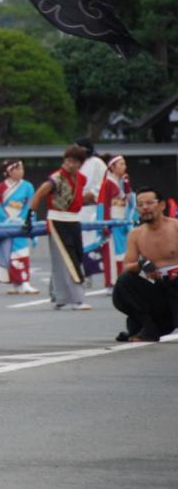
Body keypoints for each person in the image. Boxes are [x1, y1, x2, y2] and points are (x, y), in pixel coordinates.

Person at [27, 145, 91, 311]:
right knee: (66, 259)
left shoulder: (81, 179)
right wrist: (29, 216)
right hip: (57, 221)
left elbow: (76, 199)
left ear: (80, 164)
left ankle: (59, 297)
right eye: (68, 160)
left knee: (75, 257)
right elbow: (40, 193)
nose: (70, 164)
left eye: (74, 161)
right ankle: (76, 299)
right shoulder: (55, 178)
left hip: (74, 220)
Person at [111, 187, 178, 341]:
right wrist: (142, 263)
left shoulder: (175, 227)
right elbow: (127, 266)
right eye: (140, 205)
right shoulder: (136, 234)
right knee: (124, 282)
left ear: (162, 205)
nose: (145, 208)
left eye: (149, 203)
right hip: (159, 287)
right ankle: (149, 327)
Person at [0, 159, 38, 294]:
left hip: (21, 221)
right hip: (5, 221)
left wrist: (22, 218)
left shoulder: (28, 186)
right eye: (18, 169)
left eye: (22, 169)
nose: (21, 172)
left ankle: (24, 281)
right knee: (8, 252)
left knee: (22, 251)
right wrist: (7, 219)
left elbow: (30, 205)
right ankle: (14, 282)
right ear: (9, 171)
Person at [95, 154, 133, 289]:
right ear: (112, 167)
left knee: (122, 253)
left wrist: (127, 186)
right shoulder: (108, 183)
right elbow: (103, 204)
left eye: (124, 164)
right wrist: (104, 224)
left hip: (121, 222)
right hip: (112, 222)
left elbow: (130, 202)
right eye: (121, 164)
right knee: (112, 253)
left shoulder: (120, 182)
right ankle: (111, 283)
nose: (124, 166)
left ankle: (121, 280)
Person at [76, 137, 107, 262]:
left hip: (91, 208)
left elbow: (103, 183)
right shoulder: (76, 164)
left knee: (90, 241)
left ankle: (89, 276)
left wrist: (92, 194)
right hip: (76, 209)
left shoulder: (96, 162)